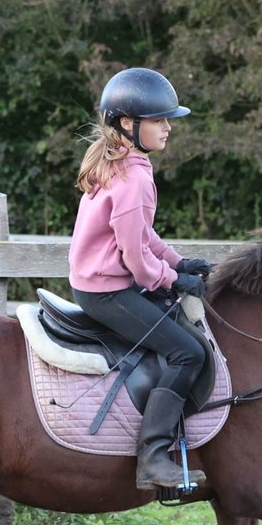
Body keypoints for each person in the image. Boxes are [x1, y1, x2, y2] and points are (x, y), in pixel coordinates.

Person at [68, 67, 214, 492]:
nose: (168, 128)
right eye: (159, 120)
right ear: (128, 125)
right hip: (107, 291)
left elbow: (143, 236)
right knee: (189, 352)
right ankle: (152, 456)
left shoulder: (122, 164)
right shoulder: (134, 178)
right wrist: (171, 280)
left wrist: (178, 262)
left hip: (100, 281)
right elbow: (134, 257)